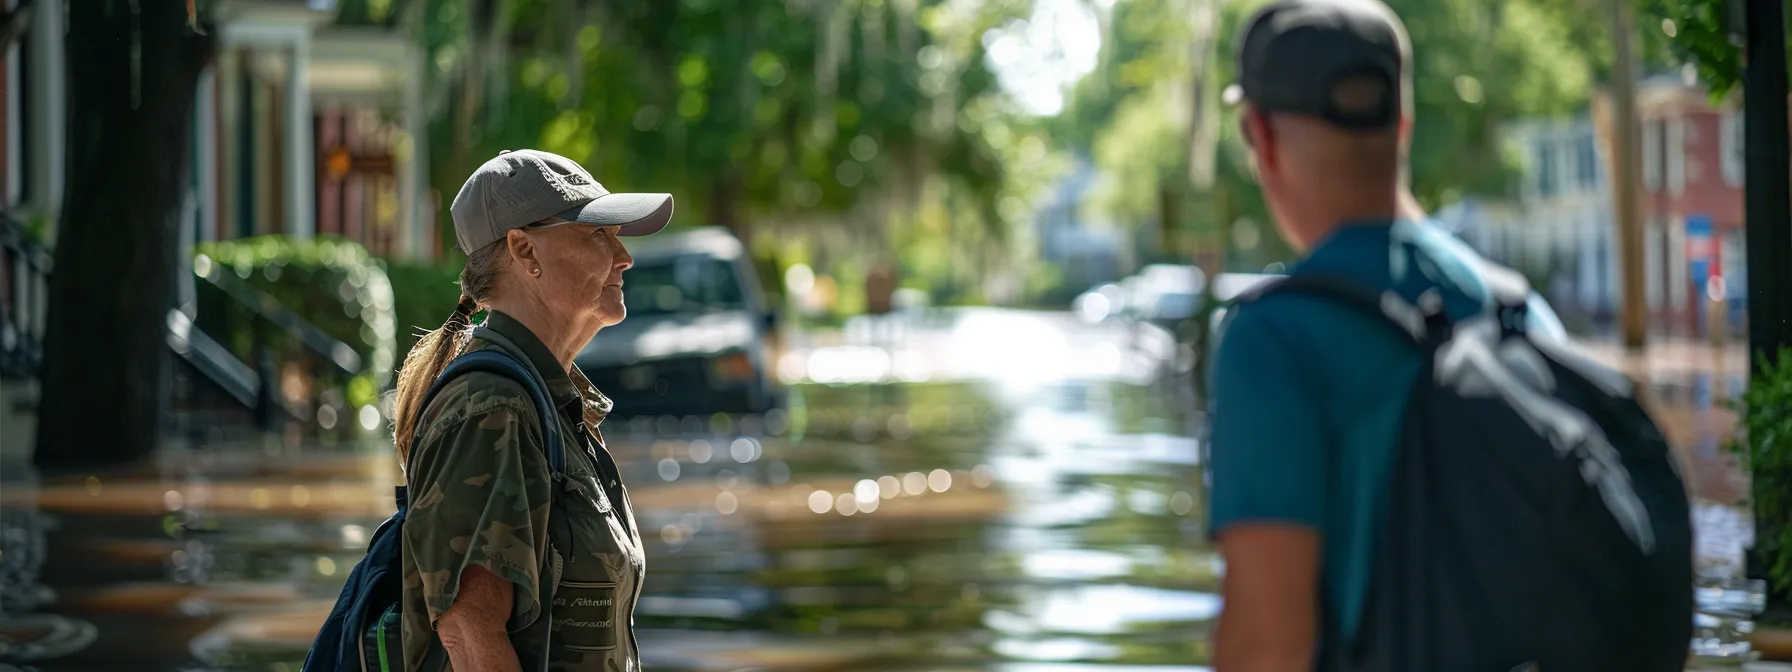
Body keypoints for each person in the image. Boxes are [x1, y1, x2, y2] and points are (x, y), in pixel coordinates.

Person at [1205, 1, 1569, 668]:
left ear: (1259, 135)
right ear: (1402, 125)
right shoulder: (1522, 316)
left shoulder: (1273, 340)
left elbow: (1267, 643)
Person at [391, 148, 673, 671]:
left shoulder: (545, 401)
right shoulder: (492, 408)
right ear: (524, 251)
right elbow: (469, 634)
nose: (624, 256)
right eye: (597, 234)